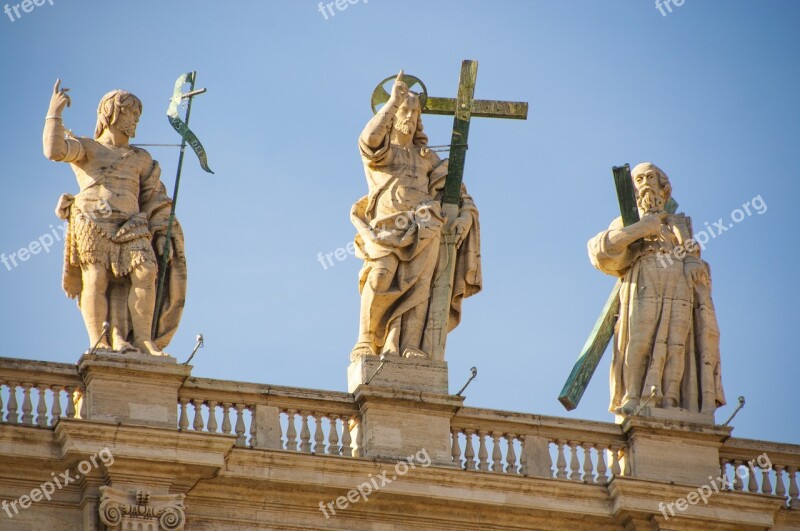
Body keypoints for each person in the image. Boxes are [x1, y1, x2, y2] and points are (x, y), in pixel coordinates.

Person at [43, 80, 187, 355]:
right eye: (129, 113)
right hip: (92, 220)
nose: (134, 120)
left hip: (133, 224)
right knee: (96, 278)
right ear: (110, 113)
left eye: (137, 115)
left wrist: (161, 230)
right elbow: (54, 151)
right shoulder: (88, 148)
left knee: (146, 272)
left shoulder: (142, 158)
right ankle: (99, 340)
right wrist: (55, 113)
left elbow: (155, 197)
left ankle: (143, 339)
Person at [350, 72, 481, 359]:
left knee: (420, 286)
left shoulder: (427, 158)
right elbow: (368, 140)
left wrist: (465, 217)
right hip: (387, 227)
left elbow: (461, 195)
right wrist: (393, 102)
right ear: (393, 114)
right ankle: (367, 340)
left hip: (426, 224)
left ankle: (409, 344)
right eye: (404, 110)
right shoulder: (382, 152)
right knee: (381, 274)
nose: (409, 117)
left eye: (414, 112)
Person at [588, 162, 725, 415]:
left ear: (665, 189)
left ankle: (671, 399)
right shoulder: (626, 220)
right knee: (639, 340)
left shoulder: (679, 222)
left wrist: (693, 261)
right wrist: (642, 228)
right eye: (639, 180)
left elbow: (692, 252)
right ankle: (634, 396)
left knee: (677, 343)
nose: (645, 184)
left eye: (651, 178)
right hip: (645, 276)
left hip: (679, 280)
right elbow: (600, 250)